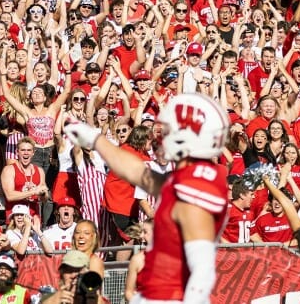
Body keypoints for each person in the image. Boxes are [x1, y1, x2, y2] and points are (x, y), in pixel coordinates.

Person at [65, 93, 229, 303]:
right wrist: (96, 140)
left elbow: (201, 269)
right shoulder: (186, 178)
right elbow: (135, 171)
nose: (160, 137)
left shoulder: (197, 188)